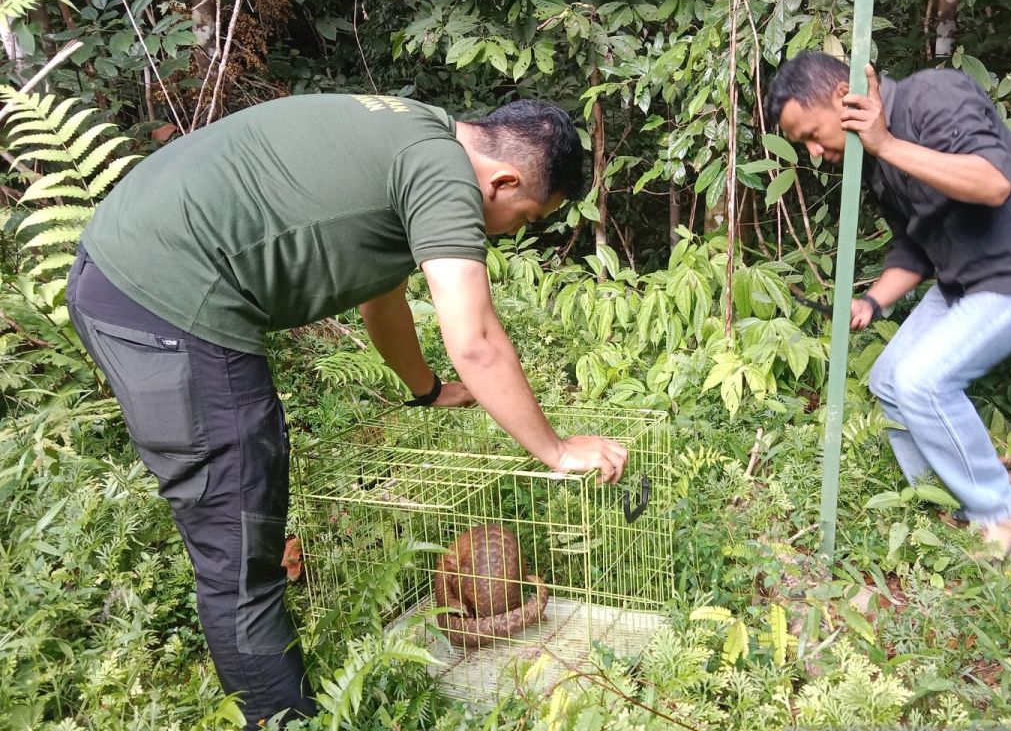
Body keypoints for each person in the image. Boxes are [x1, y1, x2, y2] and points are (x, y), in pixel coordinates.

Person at [65, 94, 628, 726]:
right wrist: (555, 450)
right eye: (523, 217)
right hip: (164, 298)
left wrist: (426, 389)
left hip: (131, 274)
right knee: (242, 547)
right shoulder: (445, 175)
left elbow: (382, 303)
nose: (511, 232)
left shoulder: (414, 136)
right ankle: (283, 719)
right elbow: (474, 339)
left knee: (250, 504)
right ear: (504, 180)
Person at [766, 52, 1011, 558]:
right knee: (889, 380)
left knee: (924, 382)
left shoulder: (932, 96)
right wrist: (873, 302)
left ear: (842, 98)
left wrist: (888, 143)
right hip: (970, 282)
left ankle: (999, 516)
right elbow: (915, 247)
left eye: (812, 134)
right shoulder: (877, 161)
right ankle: (948, 504)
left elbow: (993, 182)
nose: (813, 153)